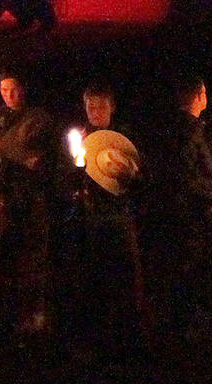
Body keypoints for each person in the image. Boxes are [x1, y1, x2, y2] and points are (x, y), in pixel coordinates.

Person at [56, 80, 152, 357]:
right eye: (91, 107)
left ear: (112, 108)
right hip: (88, 217)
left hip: (119, 215)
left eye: (101, 106)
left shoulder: (125, 138)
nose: (95, 112)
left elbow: (142, 177)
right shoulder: (79, 138)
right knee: (90, 278)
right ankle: (91, 340)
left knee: (126, 277)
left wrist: (131, 173)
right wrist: (75, 174)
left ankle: (132, 340)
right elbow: (65, 179)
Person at [142, 74, 212, 343]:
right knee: (204, 271)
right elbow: (183, 174)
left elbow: (193, 165)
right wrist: (211, 195)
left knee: (196, 271)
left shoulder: (179, 128)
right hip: (196, 216)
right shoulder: (188, 129)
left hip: (189, 212)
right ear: (199, 96)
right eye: (204, 93)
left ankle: (191, 329)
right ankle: (197, 333)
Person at [0, 66, 58, 338]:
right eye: (3, 90)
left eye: (14, 89)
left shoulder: (38, 120)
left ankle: (29, 320)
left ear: (24, 88)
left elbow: (43, 160)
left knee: (29, 261)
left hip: (29, 199)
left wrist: (16, 155)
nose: (9, 95)